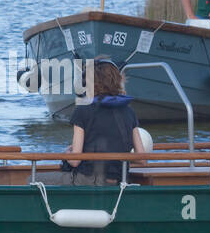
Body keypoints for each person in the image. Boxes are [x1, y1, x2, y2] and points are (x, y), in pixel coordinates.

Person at [63, 57, 147, 185]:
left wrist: (67, 153)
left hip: (89, 180)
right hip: (120, 181)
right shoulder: (129, 111)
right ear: (117, 81)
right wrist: (118, 158)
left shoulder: (82, 110)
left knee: (38, 179)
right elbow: (142, 159)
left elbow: (75, 161)